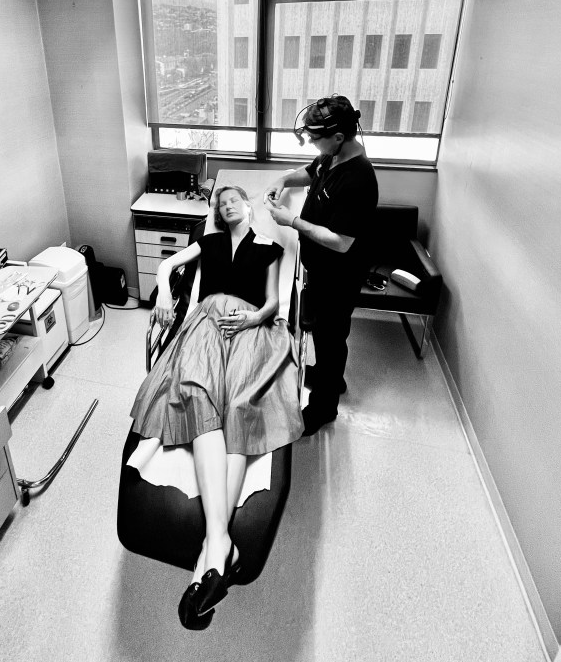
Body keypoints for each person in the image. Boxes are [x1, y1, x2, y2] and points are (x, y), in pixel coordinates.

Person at [129, 185, 303, 630]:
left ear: (247, 206)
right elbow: (167, 265)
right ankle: (220, 547)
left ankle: (212, 554)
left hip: (249, 327)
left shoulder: (269, 247)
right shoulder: (207, 243)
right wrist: (163, 293)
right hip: (206, 323)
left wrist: (253, 319)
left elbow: (273, 302)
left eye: (233, 200)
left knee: (243, 405)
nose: (226, 206)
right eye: (219, 204)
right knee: (197, 393)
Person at [264, 95, 378, 436]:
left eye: (316, 138)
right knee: (326, 336)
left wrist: (292, 221)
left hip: (339, 275)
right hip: (320, 266)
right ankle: (332, 378)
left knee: (330, 337)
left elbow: (341, 241)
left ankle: (323, 409)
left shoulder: (358, 178)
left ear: (339, 136)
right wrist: (283, 180)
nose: (313, 143)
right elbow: (310, 171)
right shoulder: (333, 155)